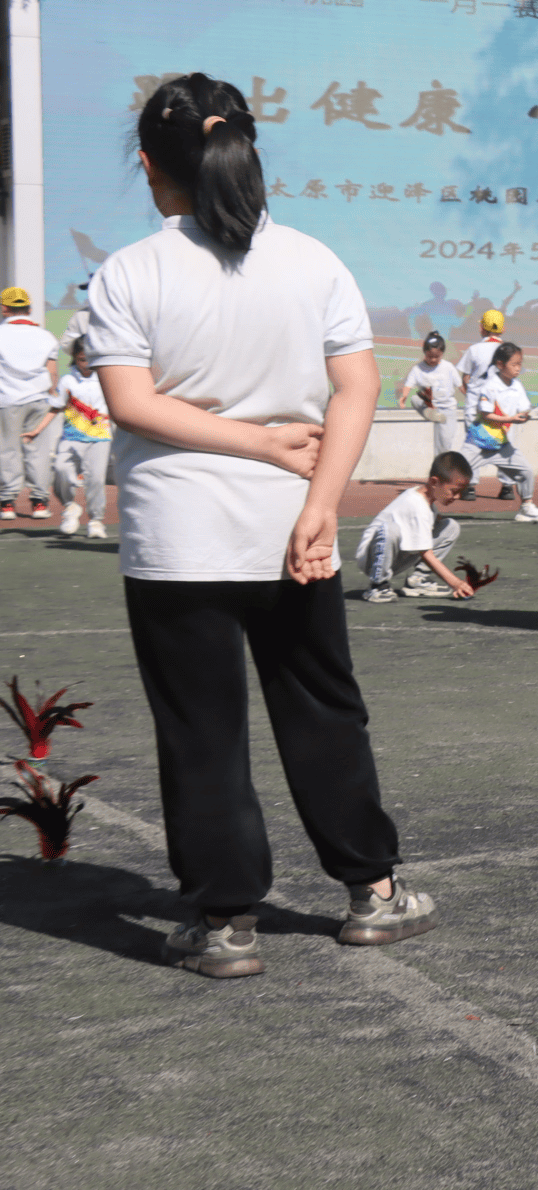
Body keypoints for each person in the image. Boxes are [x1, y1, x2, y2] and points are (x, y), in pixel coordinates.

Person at [86, 72, 435, 979]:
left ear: (149, 164)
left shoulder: (130, 271)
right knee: (323, 708)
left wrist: (259, 451)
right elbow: (356, 388)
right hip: (294, 530)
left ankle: (226, 921)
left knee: (201, 729)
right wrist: (318, 500)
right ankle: (373, 893)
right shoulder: (313, 260)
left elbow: (131, 402)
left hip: (179, 535)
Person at [357, 451, 479, 603]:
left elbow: (433, 522)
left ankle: (417, 581)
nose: (457, 497)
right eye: (454, 491)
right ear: (434, 482)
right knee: (390, 530)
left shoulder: (425, 498)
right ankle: (377, 585)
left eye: (461, 492)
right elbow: (426, 554)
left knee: (450, 526)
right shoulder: (416, 505)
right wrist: (455, 583)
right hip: (372, 560)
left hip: (395, 554)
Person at [464, 343, 538, 523]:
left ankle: (526, 508)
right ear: (500, 365)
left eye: (520, 364)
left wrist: (526, 416)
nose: (518, 368)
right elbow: (486, 414)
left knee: (526, 472)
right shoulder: (490, 386)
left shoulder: (517, 386)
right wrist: (511, 419)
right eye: (514, 364)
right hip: (479, 443)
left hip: (501, 445)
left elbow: (523, 409)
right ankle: (428, 509)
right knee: (452, 474)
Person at [0, 283, 59, 520]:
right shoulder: (46, 337)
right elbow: (53, 373)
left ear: (4, 308)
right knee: (39, 451)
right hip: (39, 400)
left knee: (7, 450)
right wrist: (54, 396)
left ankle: (7, 503)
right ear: (30, 308)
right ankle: (39, 503)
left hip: (7, 400)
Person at [51, 338, 112, 539]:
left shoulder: (107, 378)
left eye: (89, 359)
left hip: (100, 437)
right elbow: (57, 405)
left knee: (95, 479)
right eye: (81, 359)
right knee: (60, 468)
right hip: (71, 436)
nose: (85, 364)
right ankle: (70, 507)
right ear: (75, 358)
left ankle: (95, 521)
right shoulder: (67, 380)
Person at [459, 309, 512, 500]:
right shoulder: (510, 351)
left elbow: (465, 377)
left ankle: (470, 487)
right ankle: (507, 487)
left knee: (473, 445)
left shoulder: (474, 350)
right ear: (503, 329)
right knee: (505, 446)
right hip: (502, 407)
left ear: (481, 328)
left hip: (476, 406)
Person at [398, 331, 464, 458]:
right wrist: (403, 397)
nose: (433, 360)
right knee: (415, 399)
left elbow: (460, 386)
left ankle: (439, 471)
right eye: (429, 356)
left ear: (442, 354)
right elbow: (409, 384)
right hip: (430, 406)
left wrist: (471, 398)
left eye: (436, 357)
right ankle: (430, 413)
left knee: (444, 445)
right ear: (424, 353)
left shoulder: (448, 367)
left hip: (447, 410)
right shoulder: (418, 368)